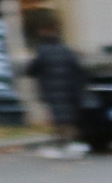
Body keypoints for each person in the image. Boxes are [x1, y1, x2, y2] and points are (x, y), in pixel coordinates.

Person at [22, 19, 89, 159]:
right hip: (69, 90)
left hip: (51, 90)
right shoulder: (67, 50)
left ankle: (62, 144)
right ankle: (71, 143)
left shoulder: (42, 51)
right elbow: (79, 70)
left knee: (57, 118)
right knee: (68, 118)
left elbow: (31, 70)